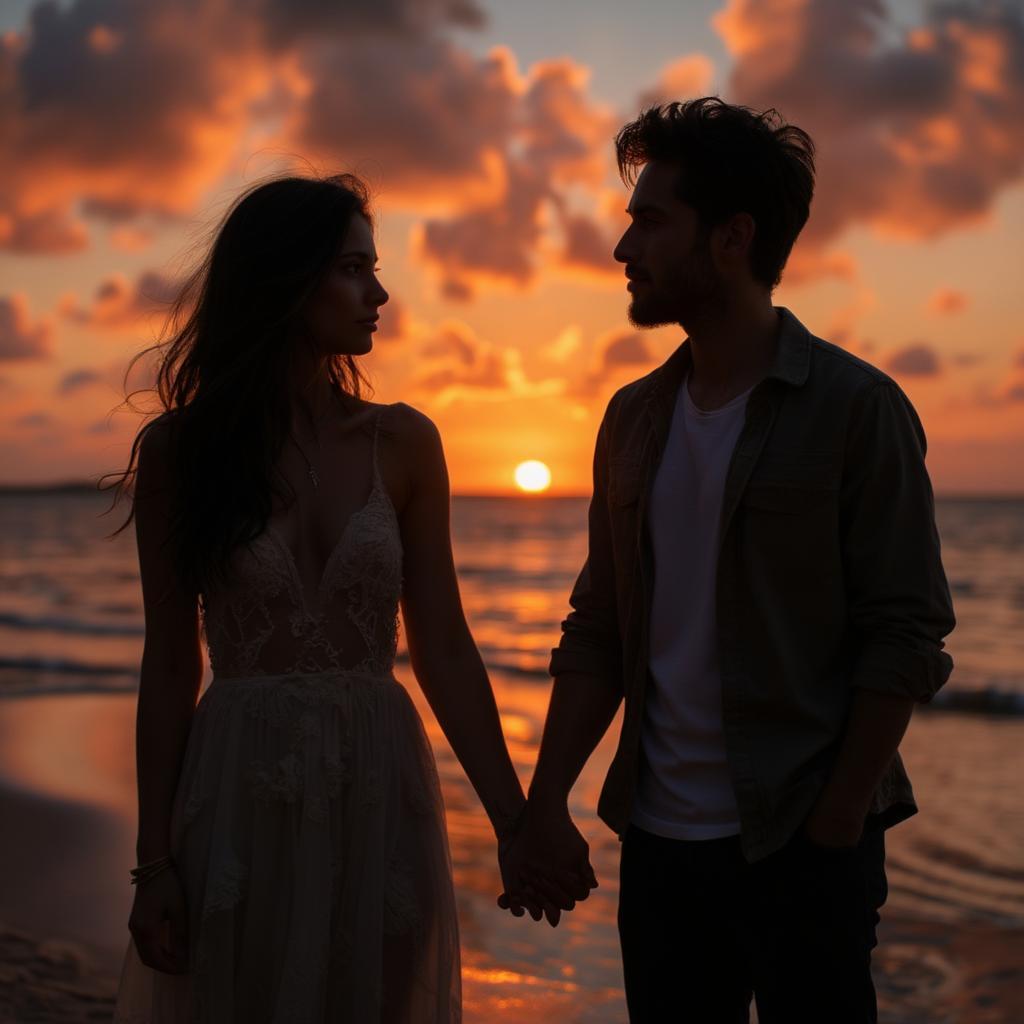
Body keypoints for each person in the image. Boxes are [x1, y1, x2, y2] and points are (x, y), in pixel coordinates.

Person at [498, 98, 956, 1023]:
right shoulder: (632, 419)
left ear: (732, 237)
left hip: (803, 843)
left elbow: (905, 632)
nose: (625, 251)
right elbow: (602, 629)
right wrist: (544, 804)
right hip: (662, 849)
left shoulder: (856, 410)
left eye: (651, 222)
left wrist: (832, 827)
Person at [107, 173, 529, 1023]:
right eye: (353, 269)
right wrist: (154, 864)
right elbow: (169, 659)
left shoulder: (405, 443)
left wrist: (515, 822)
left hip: (376, 785)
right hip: (237, 787)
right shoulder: (181, 454)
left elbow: (442, 645)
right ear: (287, 280)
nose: (379, 293)